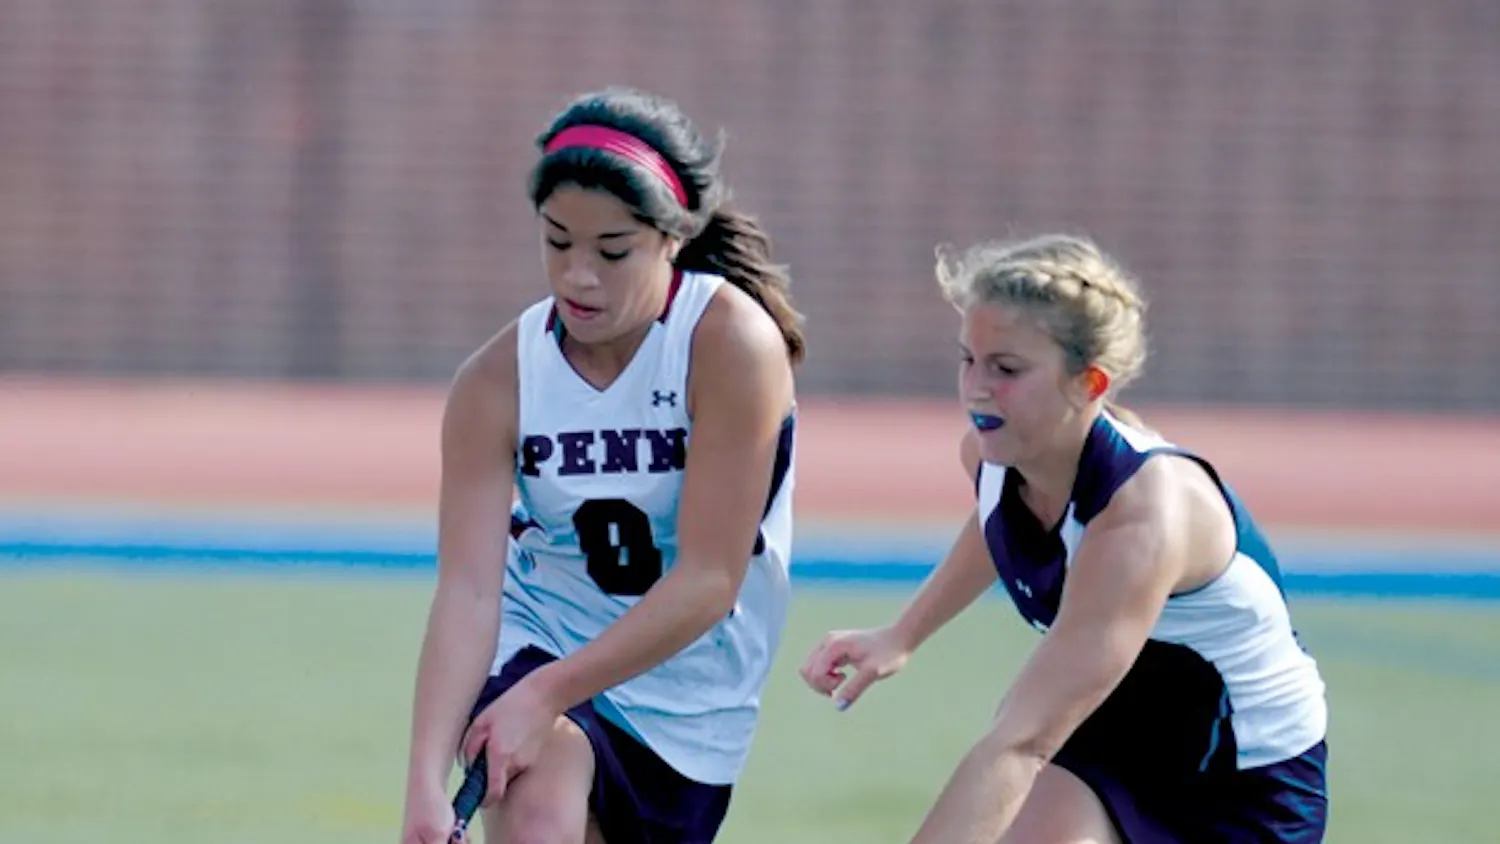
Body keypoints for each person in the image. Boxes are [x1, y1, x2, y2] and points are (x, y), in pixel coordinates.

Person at [800, 234, 1330, 843]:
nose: (975, 388)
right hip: (1115, 721)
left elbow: (1020, 743)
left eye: (1006, 369)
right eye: (968, 359)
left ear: (1090, 383)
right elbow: (997, 523)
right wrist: (903, 634)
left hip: (1242, 771)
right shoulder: (994, 455)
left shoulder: (1141, 517)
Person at [400, 86, 804, 844]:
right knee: (538, 820)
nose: (578, 276)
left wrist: (546, 695)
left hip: (693, 691)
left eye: (612, 252)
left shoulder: (730, 346)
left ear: (672, 239)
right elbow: (470, 589)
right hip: (544, 635)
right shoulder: (495, 381)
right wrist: (424, 777)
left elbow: (709, 581)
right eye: (557, 242)